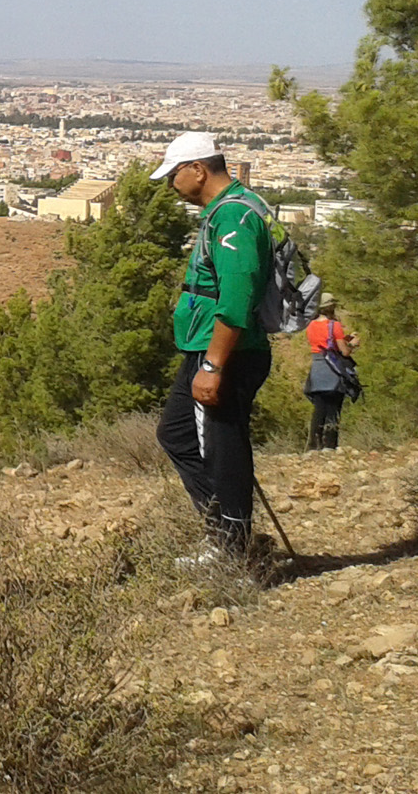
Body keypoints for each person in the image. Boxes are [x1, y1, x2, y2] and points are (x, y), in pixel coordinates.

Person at [151, 132, 275, 559]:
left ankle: (230, 546)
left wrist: (216, 365)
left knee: (222, 445)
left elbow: (236, 294)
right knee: (179, 434)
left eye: (174, 175)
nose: (171, 186)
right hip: (209, 348)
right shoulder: (227, 211)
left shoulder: (233, 218)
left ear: (198, 170)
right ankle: (222, 532)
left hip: (225, 352)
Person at [302, 294, 359, 451]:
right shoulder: (335, 326)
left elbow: (323, 343)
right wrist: (352, 344)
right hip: (333, 371)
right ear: (331, 307)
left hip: (317, 369)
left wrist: (342, 338)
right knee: (334, 407)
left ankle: (313, 445)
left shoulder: (311, 326)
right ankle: (330, 445)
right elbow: (344, 352)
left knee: (319, 408)